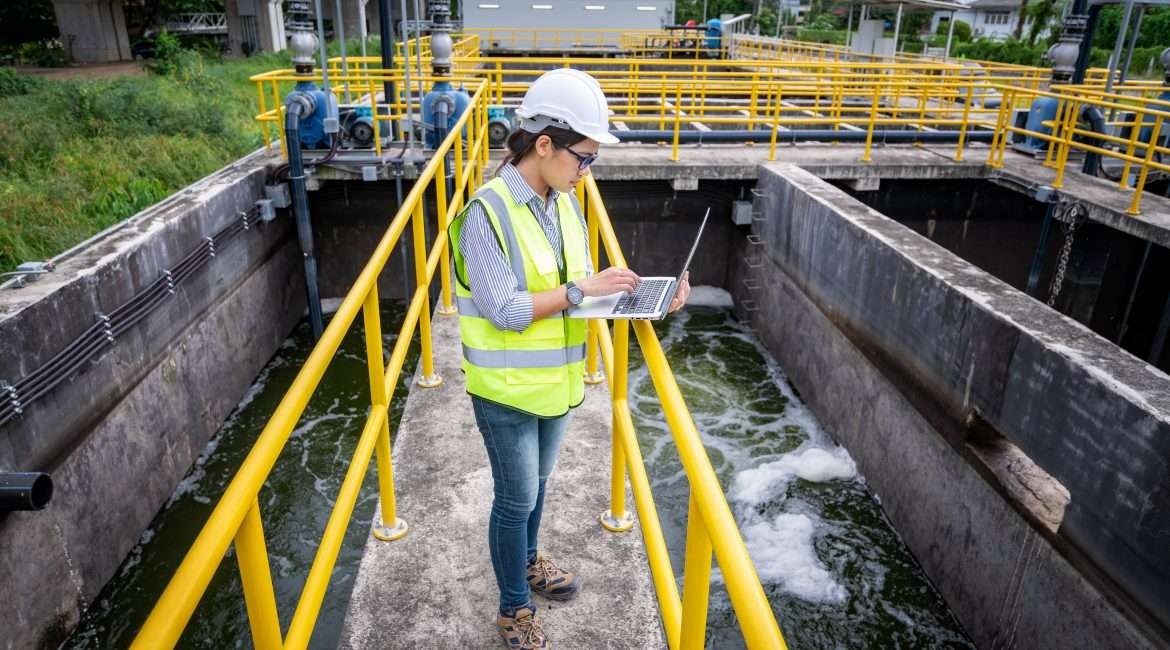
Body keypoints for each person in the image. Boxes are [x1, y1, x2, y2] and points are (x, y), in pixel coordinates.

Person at [448, 68, 691, 649]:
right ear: (544, 145)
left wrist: (642, 297)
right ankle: (513, 609)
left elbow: (576, 292)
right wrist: (587, 289)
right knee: (516, 499)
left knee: (539, 486)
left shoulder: (561, 203)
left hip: (556, 384)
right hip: (505, 390)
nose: (588, 172)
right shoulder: (486, 214)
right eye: (584, 158)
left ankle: (529, 561)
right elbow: (508, 309)